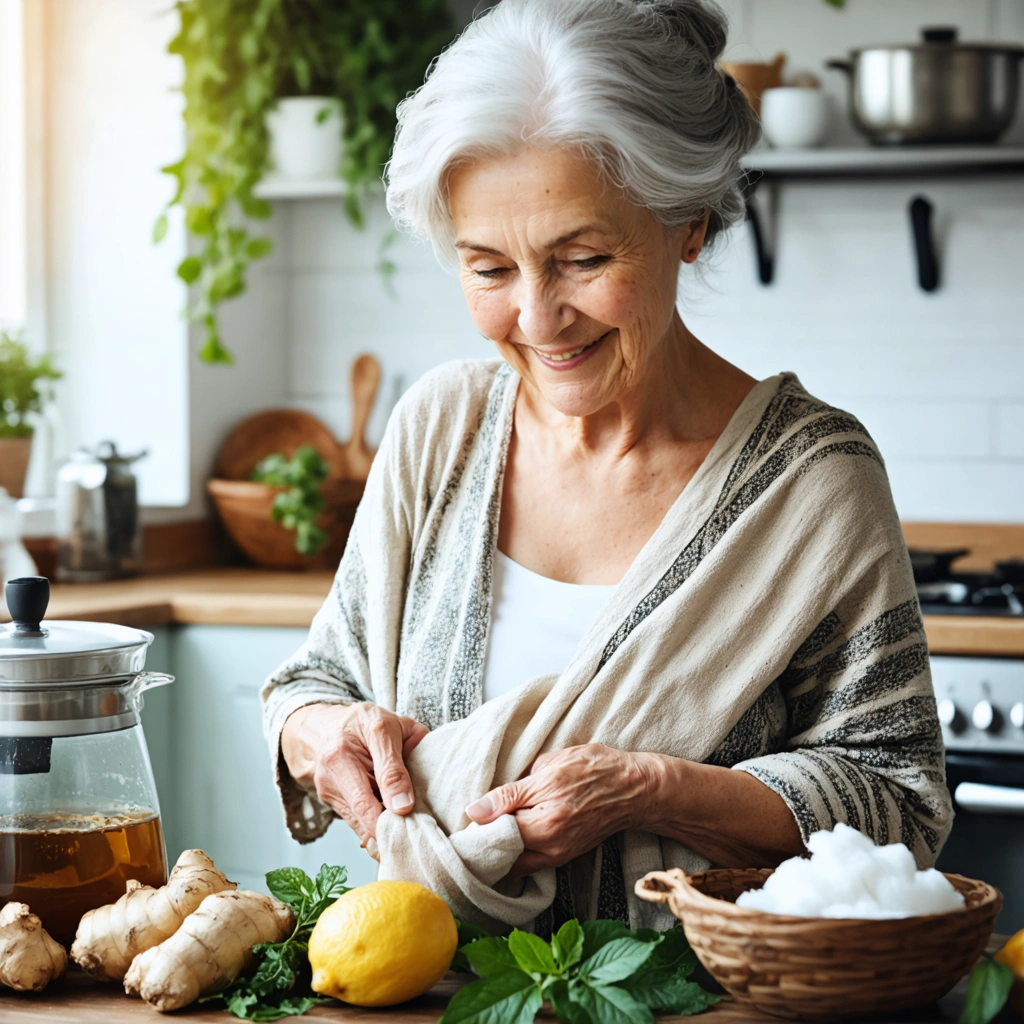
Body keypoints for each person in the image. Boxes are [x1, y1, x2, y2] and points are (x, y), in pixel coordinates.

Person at [261, 0, 951, 932]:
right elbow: (317, 682)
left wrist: (653, 791)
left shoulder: (813, 482)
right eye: (489, 269)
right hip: (422, 986)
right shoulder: (441, 431)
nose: (540, 320)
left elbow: (899, 802)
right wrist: (327, 737)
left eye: (582, 259)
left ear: (691, 221)